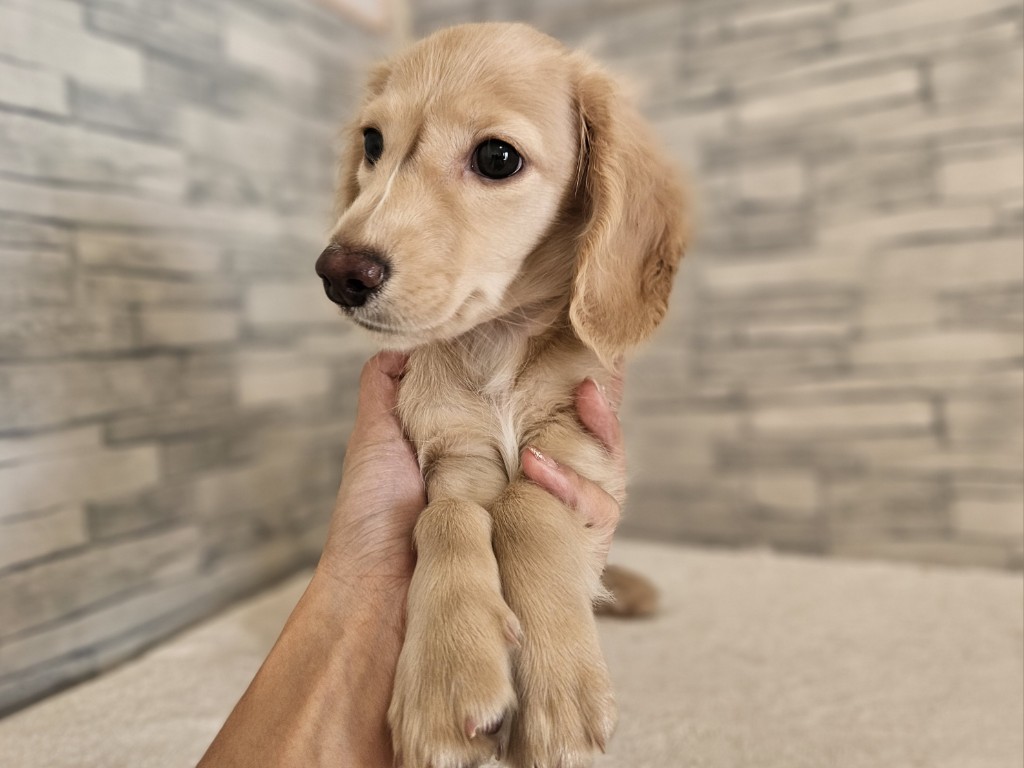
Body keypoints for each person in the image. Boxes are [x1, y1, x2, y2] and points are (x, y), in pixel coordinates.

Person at [198, 352, 624, 767]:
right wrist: (395, 573)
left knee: (519, 507)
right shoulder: (425, 376)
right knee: (449, 519)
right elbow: (453, 501)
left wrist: (545, 552)